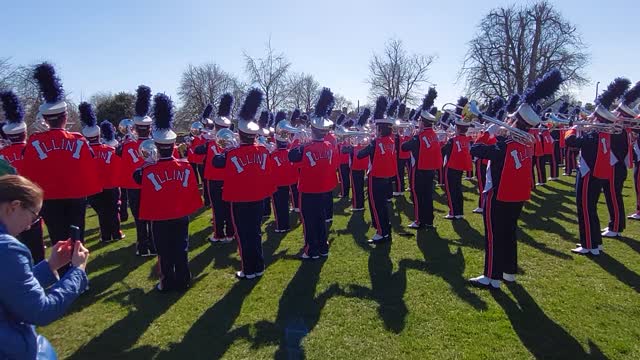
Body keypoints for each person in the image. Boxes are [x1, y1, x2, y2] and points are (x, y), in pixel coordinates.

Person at [469, 68, 563, 289]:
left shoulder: (505, 143)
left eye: (511, 119)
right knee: (509, 232)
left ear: (517, 121)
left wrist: (490, 132)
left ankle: (491, 276)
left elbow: (476, 150)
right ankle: (509, 271)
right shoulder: (527, 142)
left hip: (499, 193)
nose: (507, 121)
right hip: (517, 194)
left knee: (493, 235)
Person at [0, 174, 89, 360]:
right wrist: (78, 271)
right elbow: (40, 310)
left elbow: (10, 286)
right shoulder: (7, 248)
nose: (29, 226)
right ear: (14, 207)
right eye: (33, 216)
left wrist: (51, 265)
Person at [21, 63, 101, 246]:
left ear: (46, 119)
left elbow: (27, 171)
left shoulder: (34, 142)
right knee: (77, 241)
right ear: (65, 117)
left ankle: (64, 272)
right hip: (76, 197)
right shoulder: (79, 140)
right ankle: (78, 271)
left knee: (58, 241)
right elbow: (91, 163)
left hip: (48, 199)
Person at [134, 93, 203, 291]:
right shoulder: (185, 166)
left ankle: (167, 281)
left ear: (156, 145)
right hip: (181, 215)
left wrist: (147, 162)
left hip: (160, 217)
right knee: (181, 248)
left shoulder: (147, 170)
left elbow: (136, 178)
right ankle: (184, 279)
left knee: (164, 251)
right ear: (173, 145)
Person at [214, 88, 274, 279]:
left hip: (240, 199)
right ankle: (259, 266)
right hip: (258, 198)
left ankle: (248, 269)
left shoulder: (231, 153)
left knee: (243, 235)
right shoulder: (263, 150)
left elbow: (216, 163)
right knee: (255, 233)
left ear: (240, 132)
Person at [567, 77, 630, 253]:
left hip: (589, 174)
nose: (591, 117)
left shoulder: (592, 135)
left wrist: (574, 128)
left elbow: (571, 141)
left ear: (598, 119)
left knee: (585, 209)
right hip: (598, 173)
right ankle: (595, 243)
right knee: (591, 209)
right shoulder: (603, 134)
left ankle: (589, 245)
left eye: (593, 116)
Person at [289, 88, 338, 257]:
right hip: (323, 189)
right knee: (320, 220)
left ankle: (311, 250)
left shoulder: (305, 147)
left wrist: (299, 141)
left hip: (308, 190)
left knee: (309, 222)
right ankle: (323, 248)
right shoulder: (329, 146)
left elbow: (291, 156)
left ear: (313, 129)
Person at [1, 90, 46, 263]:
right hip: (31, 202)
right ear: (24, 133)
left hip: (8, 210)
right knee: (36, 245)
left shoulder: (2, 155)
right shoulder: (35, 148)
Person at [118, 85, 156, 256]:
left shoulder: (126, 146)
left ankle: (142, 247)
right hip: (153, 185)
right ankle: (153, 246)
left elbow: (119, 160)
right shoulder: (157, 143)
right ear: (149, 128)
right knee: (153, 217)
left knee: (139, 219)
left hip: (133, 186)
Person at [79, 103, 125, 244]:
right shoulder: (109, 150)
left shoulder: (82, 153)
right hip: (111, 185)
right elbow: (118, 167)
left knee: (102, 213)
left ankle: (105, 235)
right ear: (99, 135)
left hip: (93, 188)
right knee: (112, 211)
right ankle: (116, 233)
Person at [196, 95, 235, 243]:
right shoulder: (234, 144)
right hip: (229, 179)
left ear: (217, 128)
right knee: (228, 207)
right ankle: (231, 234)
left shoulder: (211, 143)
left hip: (213, 180)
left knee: (217, 208)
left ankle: (219, 234)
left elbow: (198, 150)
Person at [357, 96, 397, 243]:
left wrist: (354, 148)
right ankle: (385, 228)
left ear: (380, 129)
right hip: (386, 177)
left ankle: (381, 232)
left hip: (376, 177)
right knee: (382, 205)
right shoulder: (391, 141)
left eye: (377, 128)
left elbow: (361, 155)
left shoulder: (376, 142)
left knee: (376, 206)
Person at [603, 81, 640, 236]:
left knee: (614, 196)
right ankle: (614, 224)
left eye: (618, 113)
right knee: (612, 196)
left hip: (616, 166)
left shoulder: (621, 131)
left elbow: (616, 150)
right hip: (615, 166)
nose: (615, 115)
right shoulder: (621, 129)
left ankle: (616, 227)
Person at [402, 88, 439, 229]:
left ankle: (419, 221)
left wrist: (411, 134)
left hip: (419, 169)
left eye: (419, 121)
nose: (418, 122)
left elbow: (405, 147)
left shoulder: (419, 136)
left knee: (417, 196)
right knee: (428, 196)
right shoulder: (433, 135)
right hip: (430, 169)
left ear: (423, 122)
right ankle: (429, 220)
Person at [442, 97, 472, 220]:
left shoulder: (453, 140)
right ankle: (459, 212)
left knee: (450, 190)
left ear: (458, 128)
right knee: (458, 189)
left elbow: (443, 152)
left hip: (451, 166)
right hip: (460, 167)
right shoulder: (466, 139)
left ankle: (453, 212)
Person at [271, 111, 297, 233]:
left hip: (277, 183)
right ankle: (285, 224)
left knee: (278, 206)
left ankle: (281, 226)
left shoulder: (273, 154)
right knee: (285, 204)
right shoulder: (289, 153)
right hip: (288, 181)